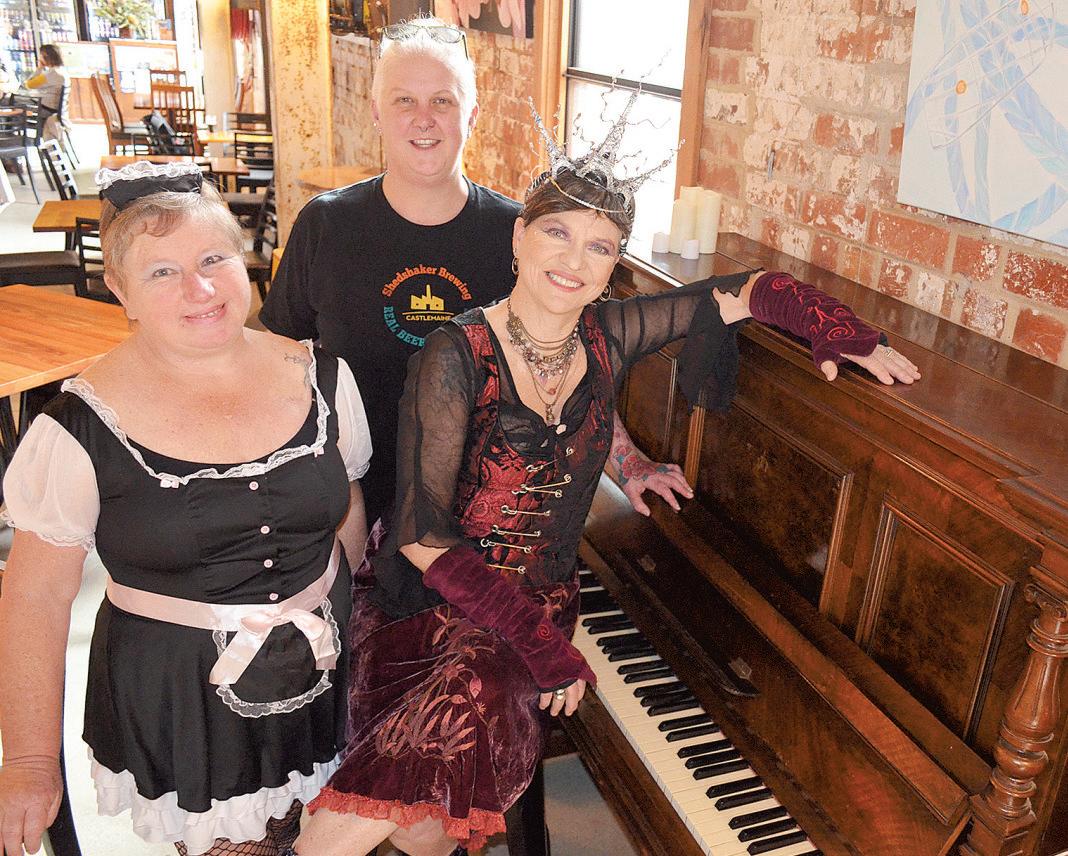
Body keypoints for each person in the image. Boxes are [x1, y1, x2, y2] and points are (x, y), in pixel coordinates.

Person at [285, 95, 921, 856]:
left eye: (600, 246)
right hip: (432, 595)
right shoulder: (455, 355)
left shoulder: (609, 335)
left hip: (540, 600)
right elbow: (422, 538)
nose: (573, 261)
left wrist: (839, 331)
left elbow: (751, 290)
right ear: (518, 237)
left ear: (615, 264)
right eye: (557, 232)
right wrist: (542, 647)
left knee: (425, 819)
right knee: (436, 771)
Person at [0, 162, 373, 856]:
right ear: (121, 291)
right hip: (187, 708)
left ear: (245, 259)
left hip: (327, 671)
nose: (198, 289)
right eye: (162, 272)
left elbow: (346, 517)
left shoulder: (324, 378)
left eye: (212, 259)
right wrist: (27, 761)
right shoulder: (78, 427)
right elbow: (34, 598)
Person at [259, 18, 692, 531]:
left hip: (482, 515)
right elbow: (277, 357)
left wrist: (629, 462)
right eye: (404, 100)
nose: (424, 119)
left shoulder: (518, 235)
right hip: (349, 504)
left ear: (472, 115)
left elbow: (568, 367)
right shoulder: (326, 224)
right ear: (377, 112)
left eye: (442, 101)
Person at [23, 44, 66, 141]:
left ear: (46, 56)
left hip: (44, 110)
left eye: (41, 55)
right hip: (54, 109)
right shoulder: (61, 71)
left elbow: (28, 85)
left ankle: (10, 137)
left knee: (10, 103)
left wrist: (39, 69)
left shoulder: (50, 74)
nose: (39, 58)